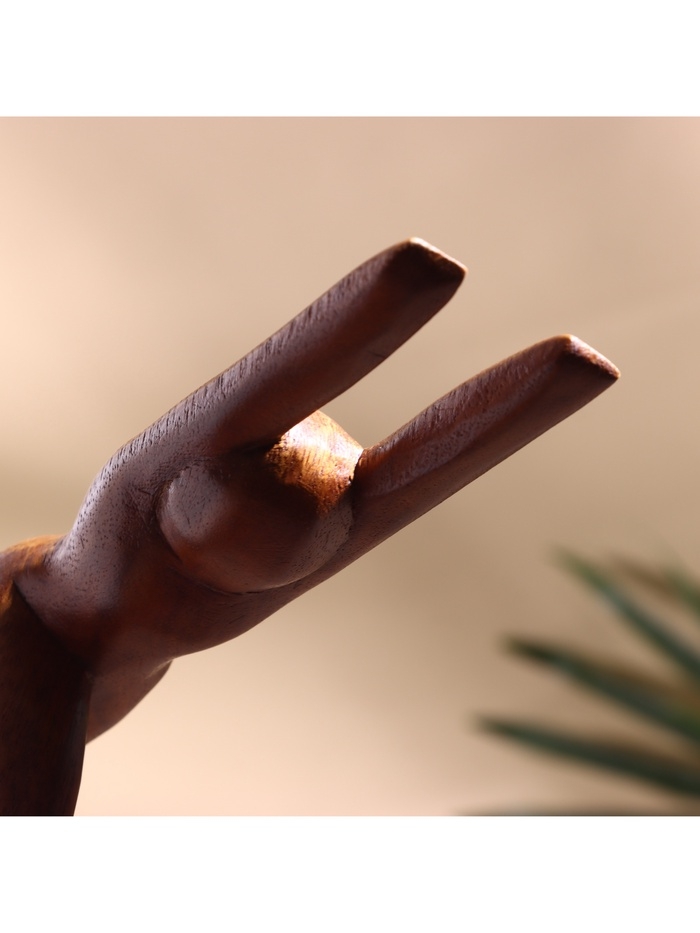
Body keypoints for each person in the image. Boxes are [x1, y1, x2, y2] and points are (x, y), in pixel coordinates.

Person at [0, 239, 619, 814]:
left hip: (93, 611)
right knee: (382, 478)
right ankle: (469, 323)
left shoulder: (58, 628)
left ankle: (428, 297)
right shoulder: (57, 633)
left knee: (373, 468)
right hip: (99, 612)